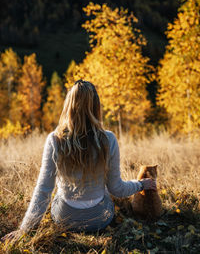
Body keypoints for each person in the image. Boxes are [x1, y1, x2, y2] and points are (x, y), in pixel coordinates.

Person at [1, 80, 156, 241]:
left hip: (64, 219)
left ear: (69, 105)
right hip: (100, 219)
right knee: (105, 191)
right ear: (96, 106)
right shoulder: (108, 139)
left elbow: (43, 190)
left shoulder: (55, 139)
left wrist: (24, 230)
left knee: (57, 193)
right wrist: (141, 185)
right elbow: (116, 189)